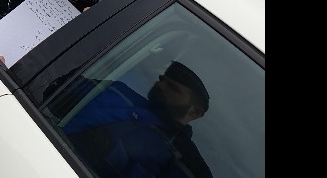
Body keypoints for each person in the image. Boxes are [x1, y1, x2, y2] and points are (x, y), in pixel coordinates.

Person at [63, 61, 214, 178]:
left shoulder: (185, 161)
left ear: (195, 112)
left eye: (172, 88)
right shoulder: (118, 93)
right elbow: (62, 84)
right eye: (161, 79)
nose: (160, 85)